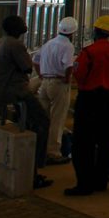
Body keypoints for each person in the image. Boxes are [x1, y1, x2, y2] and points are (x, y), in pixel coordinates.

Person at [0, 14, 52, 190]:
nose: (26, 24)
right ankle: (38, 164)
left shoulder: (1, 42)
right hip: (16, 93)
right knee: (42, 122)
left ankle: (32, 170)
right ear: (16, 27)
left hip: (2, 91)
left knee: (29, 124)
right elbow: (27, 67)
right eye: (23, 23)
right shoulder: (15, 44)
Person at [66, 15, 109, 196]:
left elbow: (79, 74)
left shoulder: (89, 52)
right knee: (104, 140)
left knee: (83, 142)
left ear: (96, 31)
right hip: (106, 98)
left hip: (88, 98)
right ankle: (101, 180)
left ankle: (84, 183)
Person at [34, 16, 78, 164]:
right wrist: (67, 79)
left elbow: (35, 60)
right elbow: (68, 66)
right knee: (57, 120)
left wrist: (41, 74)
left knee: (43, 118)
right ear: (73, 33)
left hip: (45, 83)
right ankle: (53, 152)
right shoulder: (68, 46)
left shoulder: (48, 43)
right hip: (58, 84)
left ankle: (39, 150)